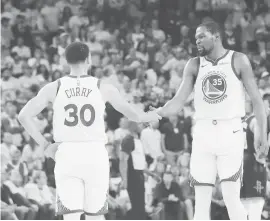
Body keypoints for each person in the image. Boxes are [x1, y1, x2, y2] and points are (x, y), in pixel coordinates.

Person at [18, 42, 161, 220]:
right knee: (96, 216)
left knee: (70, 217)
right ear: (89, 59)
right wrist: (151, 115)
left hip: (67, 152)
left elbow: (23, 116)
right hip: (94, 153)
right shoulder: (103, 87)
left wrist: (46, 145)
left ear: (66, 61)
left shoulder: (54, 87)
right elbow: (133, 114)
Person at [153, 21, 268, 220]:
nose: (197, 40)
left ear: (216, 36)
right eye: (195, 37)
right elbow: (178, 101)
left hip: (230, 132)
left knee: (232, 198)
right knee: (201, 201)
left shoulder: (238, 60)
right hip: (203, 133)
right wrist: (156, 113)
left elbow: (258, 102)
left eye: (201, 36)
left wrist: (263, 136)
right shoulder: (194, 64)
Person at [240, 94, 270, 220]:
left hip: (240, 163)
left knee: (243, 206)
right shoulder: (257, 121)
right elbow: (260, 148)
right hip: (253, 164)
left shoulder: (244, 121)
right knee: (256, 206)